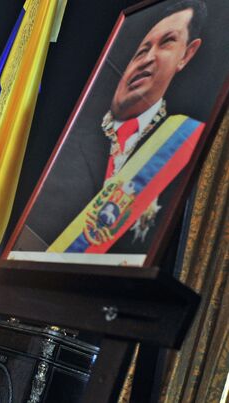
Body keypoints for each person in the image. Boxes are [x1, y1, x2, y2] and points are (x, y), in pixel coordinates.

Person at [14, 0, 207, 255]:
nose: (147, 58)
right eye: (142, 49)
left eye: (167, 42)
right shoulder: (73, 143)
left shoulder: (179, 142)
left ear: (187, 53)